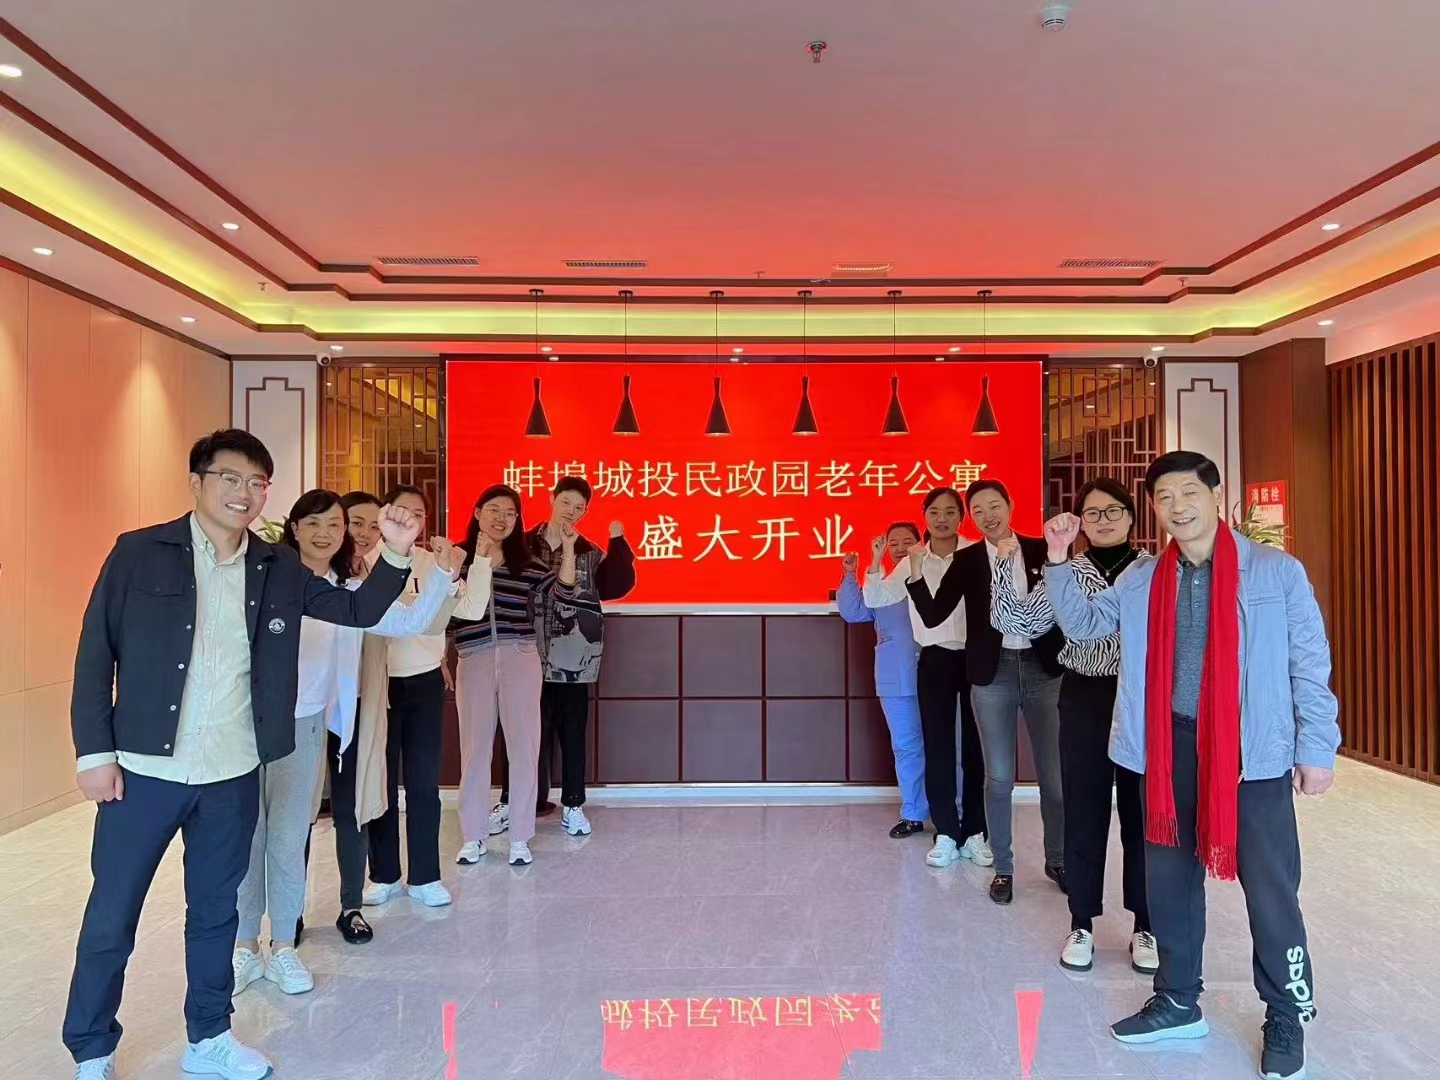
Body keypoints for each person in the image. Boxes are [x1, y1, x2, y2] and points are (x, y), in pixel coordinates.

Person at [64, 430, 419, 1080]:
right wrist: (94, 752)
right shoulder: (139, 552)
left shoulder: (277, 566)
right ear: (197, 482)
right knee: (113, 911)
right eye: (230, 478)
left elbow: (357, 609)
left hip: (232, 771)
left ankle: (209, 1037)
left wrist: (395, 551)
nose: (244, 492)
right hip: (144, 769)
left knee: (215, 914)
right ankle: (92, 1047)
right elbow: (95, 652)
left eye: (257, 483)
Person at [1043, 451, 1339, 1080]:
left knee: (1271, 886)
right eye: (1164, 498)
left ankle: (1286, 1010)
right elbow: (1086, 627)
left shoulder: (1276, 572)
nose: (1177, 507)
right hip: (1167, 746)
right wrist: (1061, 560)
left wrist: (1317, 747)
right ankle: (1178, 998)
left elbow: (1309, 663)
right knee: (1169, 879)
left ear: (1214, 495)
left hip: (1251, 752)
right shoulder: (1143, 578)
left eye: (1188, 493)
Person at [231, 491, 465, 995]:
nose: (325, 533)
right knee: (249, 836)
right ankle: (245, 947)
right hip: (252, 724)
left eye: (334, 525)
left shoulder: (347, 592)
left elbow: (409, 621)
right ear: (294, 528)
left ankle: (284, 947)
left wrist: (442, 576)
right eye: (313, 523)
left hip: (316, 723)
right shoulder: (265, 582)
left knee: (290, 835)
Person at [986, 478, 1157, 972]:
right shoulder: (1067, 569)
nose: (1103, 521)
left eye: (1113, 510)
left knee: (1143, 816)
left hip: (1142, 700)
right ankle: (1081, 922)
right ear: (1080, 522)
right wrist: (1006, 565)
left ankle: (1145, 925)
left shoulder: (1154, 570)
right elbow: (1018, 622)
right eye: (1093, 513)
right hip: (1083, 697)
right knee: (1083, 812)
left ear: (1131, 516)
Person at [904, 479, 1066, 906]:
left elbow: (1066, 603)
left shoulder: (1041, 550)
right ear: (971, 518)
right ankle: (1004, 868)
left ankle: (1058, 859)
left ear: (1010, 505)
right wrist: (916, 573)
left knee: (1053, 778)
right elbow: (934, 613)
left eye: (994, 506)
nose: (988, 516)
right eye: (978, 510)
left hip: (1043, 669)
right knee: (998, 777)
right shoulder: (968, 559)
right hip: (994, 673)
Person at [451, 484, 596, 866]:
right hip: (473, 657)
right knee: (474, 751)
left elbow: (564, 592)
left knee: (524, 748)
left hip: (520, 657)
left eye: (510, 513)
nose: (501, 519)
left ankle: (520, 836)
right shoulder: (458, 558)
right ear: (477, 512)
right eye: (494, 510)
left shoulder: (526, 563)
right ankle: (473, 836)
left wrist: (569, 549)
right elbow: (442, 613)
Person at [490, 477, 635, 838]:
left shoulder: (589, 552)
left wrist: (617, 540)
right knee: (519, 736)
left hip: (573, 660)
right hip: (523, 652)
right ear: (551, 499)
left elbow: (617, 585)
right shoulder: (521, 545)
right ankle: (511, 802)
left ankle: (573, 805)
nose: (571, 511)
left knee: (572, 735)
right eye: (566, 502)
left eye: (579, 507)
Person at [864, 488, 990, 870]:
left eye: (950, 512)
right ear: (925, 516)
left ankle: (975, 831)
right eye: (934, 512)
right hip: (934, 658)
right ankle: (946, 832)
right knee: (937, 746)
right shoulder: (913, 559)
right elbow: (877, 598)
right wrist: (875, 559)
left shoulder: (976, 553)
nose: (942, 519)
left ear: (961, 517)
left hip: (974, 656)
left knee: (974, 747)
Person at [363, 486, 460, 909]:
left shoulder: (433, 562)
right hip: (377, 684)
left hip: (423, 680)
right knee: (380, 781)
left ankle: (425, 876)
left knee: (423, 781)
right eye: (402, 510)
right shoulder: (365, 560)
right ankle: (383, 874)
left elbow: (445, 618)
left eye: (419, 512)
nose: (410, 518)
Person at [837, 524, 927, 837]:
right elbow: (853, 612)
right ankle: (913, 813)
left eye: (908, 541)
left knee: (947, 745)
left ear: (921, 544)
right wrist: (851, 573)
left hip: (936, 673)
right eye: (894, 543)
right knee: (906, 746)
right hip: (895, 677)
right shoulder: (882, 586)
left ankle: (954, 814)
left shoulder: (934, 577)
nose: (900, 548)